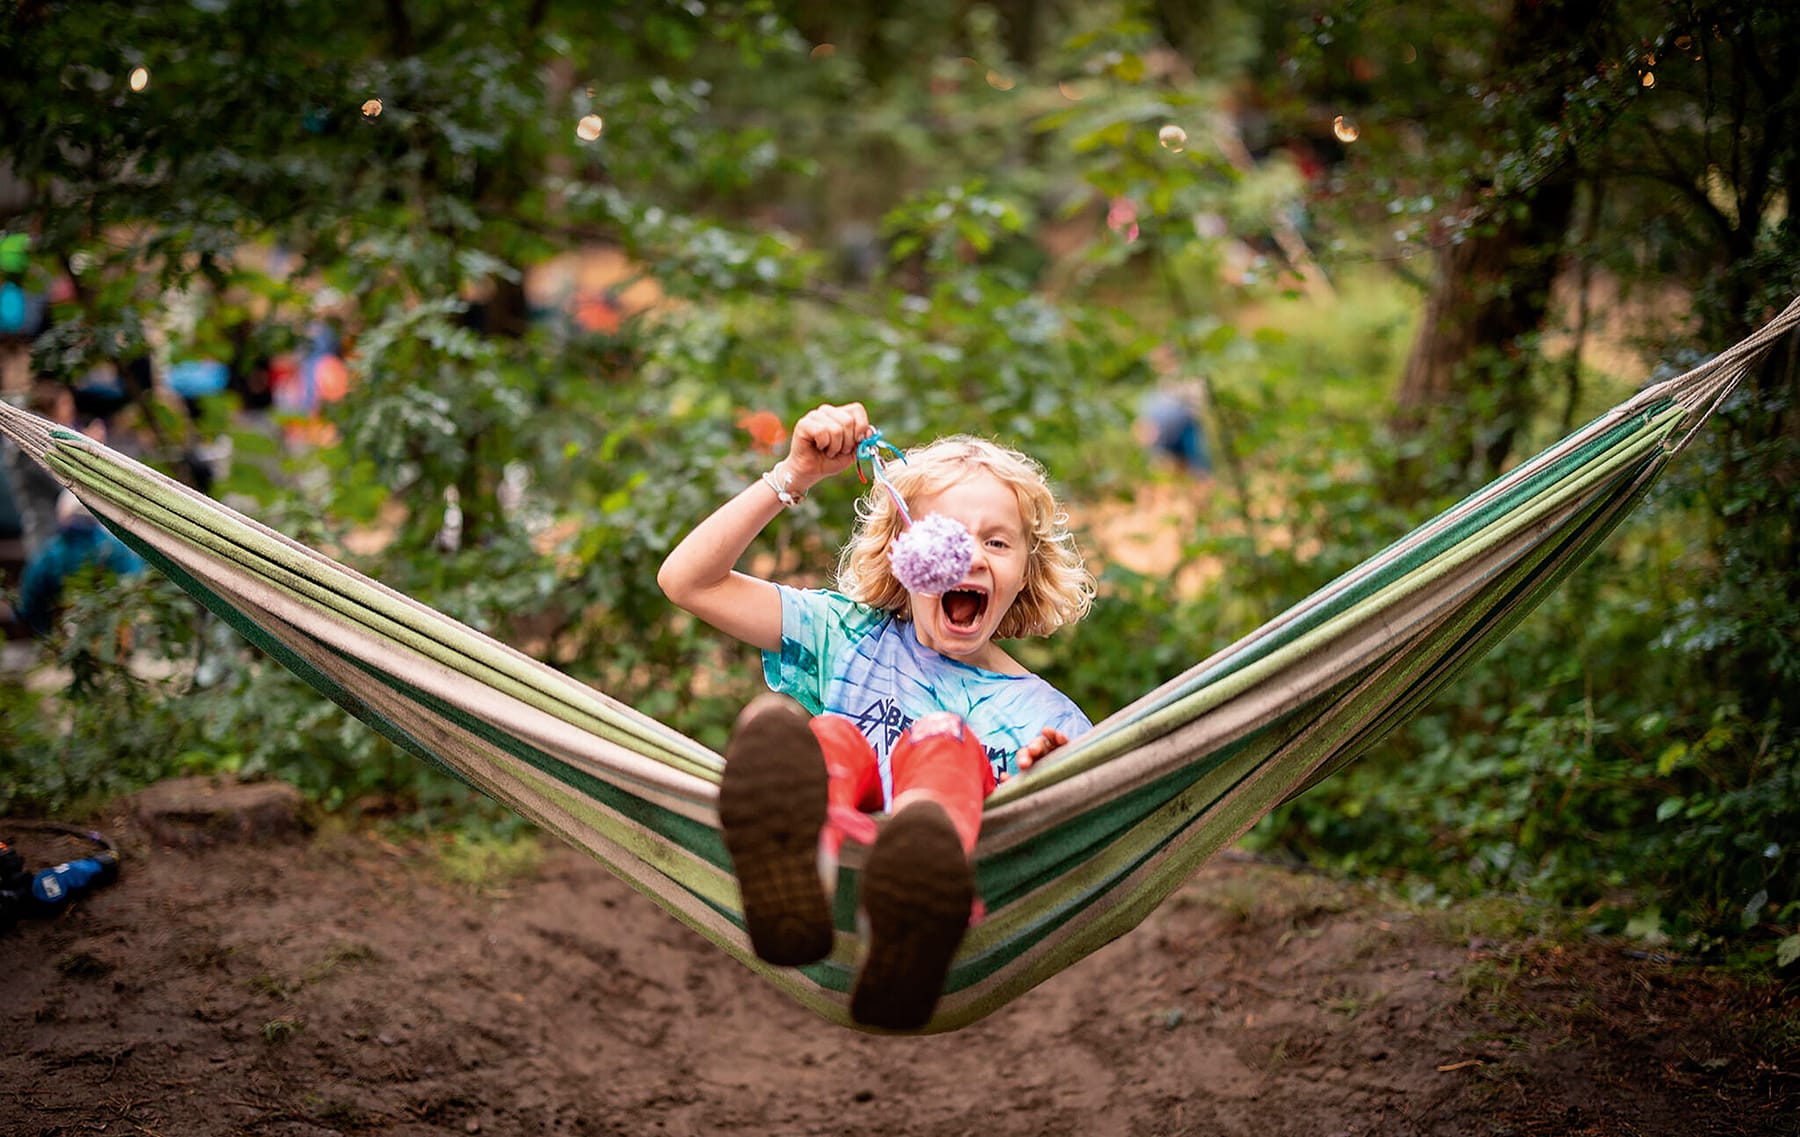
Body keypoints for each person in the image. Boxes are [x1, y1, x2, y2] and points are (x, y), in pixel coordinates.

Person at [658, 401, 1095, 1029]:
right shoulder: (848, 635)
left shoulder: (1042, 714)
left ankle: (911, 906)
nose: (969, 555)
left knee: (941, 742)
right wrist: (793, 476)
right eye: (945, 533)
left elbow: (1081, 837)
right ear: (902, 551)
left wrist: (1057, 775)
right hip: (832, 881)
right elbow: (688, 582)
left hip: (959, 897)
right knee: (825, 735)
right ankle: (801, 867)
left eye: (997, 542)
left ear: (1026, 571)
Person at [15, 491, 145, 636]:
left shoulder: (51, 554)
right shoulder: (116, 548)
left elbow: (28, 605)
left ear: (62, 515)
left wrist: (46, 632)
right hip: (114, 634)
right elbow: (137, 583)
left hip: (64, 635)